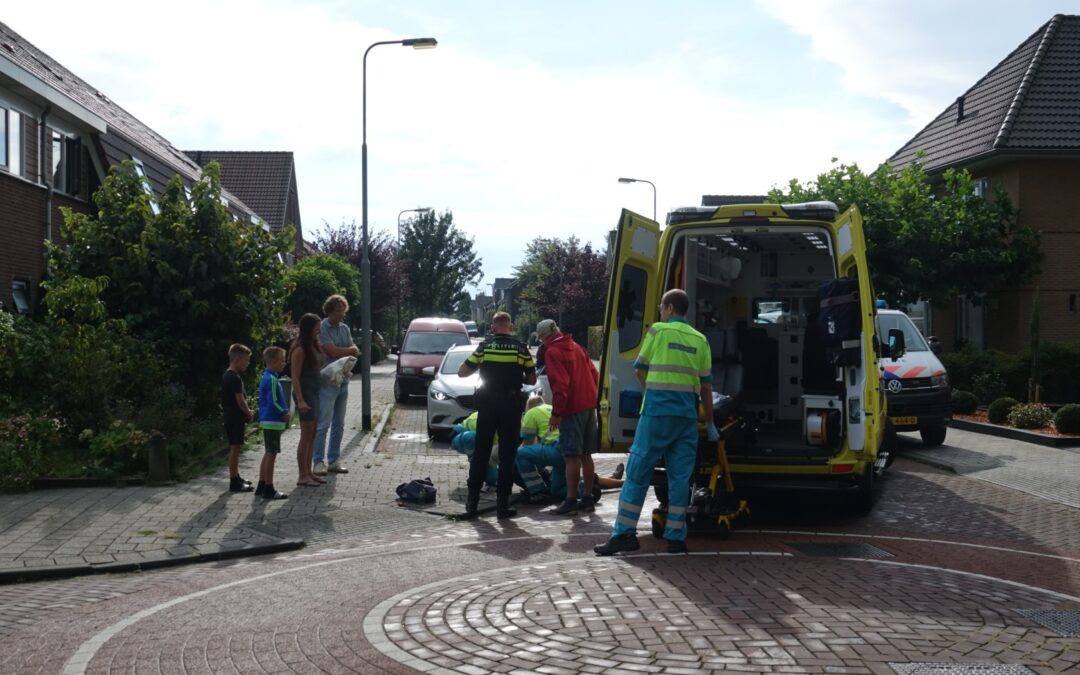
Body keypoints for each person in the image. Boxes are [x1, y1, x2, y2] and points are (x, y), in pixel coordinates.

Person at [594, 288, 718, 556]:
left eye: (662, 306)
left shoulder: (658, 331)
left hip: (656, 415)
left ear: (671, 308)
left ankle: (624, 535)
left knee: (637, 474)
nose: (660, 310)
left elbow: (639, 368)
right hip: (685, 420)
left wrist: (650, 391)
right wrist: (710, 423)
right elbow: (707, 388)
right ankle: (675, 538)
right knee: (680, 479)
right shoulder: (700, 340)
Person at [457, 311, 536, 519]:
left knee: (481, 453)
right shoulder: (521, 349)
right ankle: (502, 505)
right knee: (507, 455)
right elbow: (532, 379)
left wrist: (485, 368)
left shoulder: (484, 347)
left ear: (493, 327)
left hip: (488, 405)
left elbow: (462, 372)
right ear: (510, 327)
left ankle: (472, 504)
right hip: (510, 406)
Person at [536, 319, 599, 516]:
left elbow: (560, 385)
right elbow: (594, 374)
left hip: (572, 409)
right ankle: (587, 498)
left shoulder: (552, 352)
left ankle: (571, 499)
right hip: (589, 405)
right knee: (586, 455)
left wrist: (556, 413)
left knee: (571, 456)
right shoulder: (577, 347)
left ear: (543, 337)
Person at [517, 395, 621, 505]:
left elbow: (527, 445)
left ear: (529, 407)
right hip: (571, 449)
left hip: (557, 448)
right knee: (557, 491)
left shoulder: (531, 412)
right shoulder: (551, 409)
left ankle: (539, 491)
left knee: (520, 454)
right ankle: (584, 489)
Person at [313, 294, 359, 476]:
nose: (341, 314)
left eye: (343, 311)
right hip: (327, 381)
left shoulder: (345, 328)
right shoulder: (322, 328)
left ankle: (333, 460)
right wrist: (347, 351)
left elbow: (354, 350)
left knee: (339, 423)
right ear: (329, 311)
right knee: (323, 423)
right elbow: (329, 350)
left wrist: (344, 351)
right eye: (338, 311)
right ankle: (317, 462)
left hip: (344, 380)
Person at [290, 313, 324, 488]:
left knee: (313, 433)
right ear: (308, 328)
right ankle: (302, 475)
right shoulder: (300, 349)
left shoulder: (313, 345)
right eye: (316, 327)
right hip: (305, 395)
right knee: (306, 434)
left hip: (315, 393)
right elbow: (295, 377)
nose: (319, 329)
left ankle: (309, 472)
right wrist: (301, 400)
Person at [255, 346, 290, 500]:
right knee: (272, 453)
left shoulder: (266, 377)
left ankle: (262, 484)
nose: (284, 363)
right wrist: (284, 412)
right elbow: (273, 401)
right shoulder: (273, 379)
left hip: (267, 420)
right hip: (273, 420)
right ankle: (269, 488)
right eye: (282, 360)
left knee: (268, 452)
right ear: (274, 362)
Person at [222, 343, 256, 493]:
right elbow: (240, 401)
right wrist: (249, 412)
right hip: (235, 417)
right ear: (237, 359)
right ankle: (233, 482)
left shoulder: (226, 375)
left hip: (230, 416)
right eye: (246, 360)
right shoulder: (235, 378)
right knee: (235, 448)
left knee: (236, 447)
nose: (248, 363)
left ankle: (236, 476)